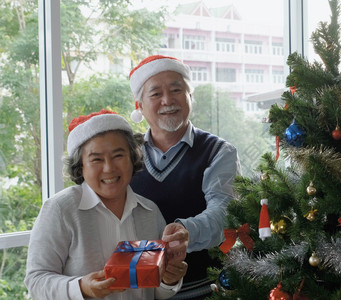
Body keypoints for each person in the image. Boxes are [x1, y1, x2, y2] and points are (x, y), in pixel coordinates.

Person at [25, 109, 189, 300]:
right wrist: (82, 288)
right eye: (96, 159)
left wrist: (169, 280)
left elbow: (155, 291)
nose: (109, 168)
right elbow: (36, 282)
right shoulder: (60, 209)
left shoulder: (150, 212)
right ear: (80, 166)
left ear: (132, 157)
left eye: (118, 155)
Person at [128, 55, 241, 299]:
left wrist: (185, 231)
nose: (167, 100)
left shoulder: (218, 152)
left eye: (177, 89)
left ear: (191, 97)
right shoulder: (125, 153)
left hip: (205, 291)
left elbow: (225, 213)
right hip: (139, 292)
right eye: (155, 93)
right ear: (139, 105)